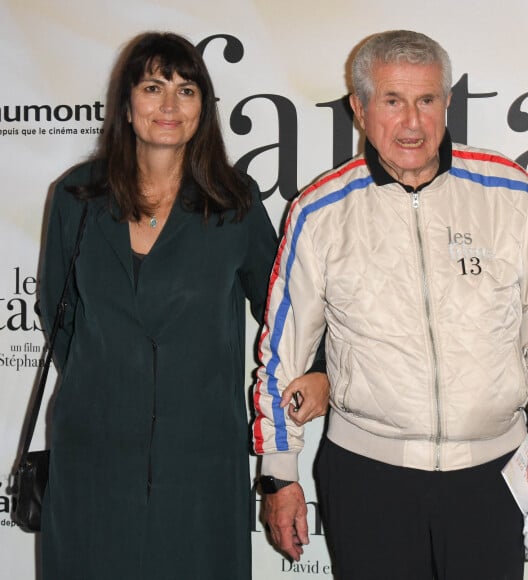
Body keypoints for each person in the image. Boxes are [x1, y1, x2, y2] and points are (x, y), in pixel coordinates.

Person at [252, 30, 528, 579]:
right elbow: (281, 354)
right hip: (366, 478)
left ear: (447, 102)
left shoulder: (510, 194)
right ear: (359, 108)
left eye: (427, 100)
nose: (412, 122)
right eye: (392, 101)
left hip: (494, 474)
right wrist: (281, 474)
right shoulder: (319, 212)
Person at [39, 31, 327, 580]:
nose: (170, 106)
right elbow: (60, 309)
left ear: (204, 107)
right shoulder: (76, 197)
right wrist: (112, 380)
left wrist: (316, 373)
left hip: (200, 458)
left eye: (187, 90)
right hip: (93, 454)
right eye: (153, 87)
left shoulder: (233, 203)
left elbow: (286, 313)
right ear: (127, 105)